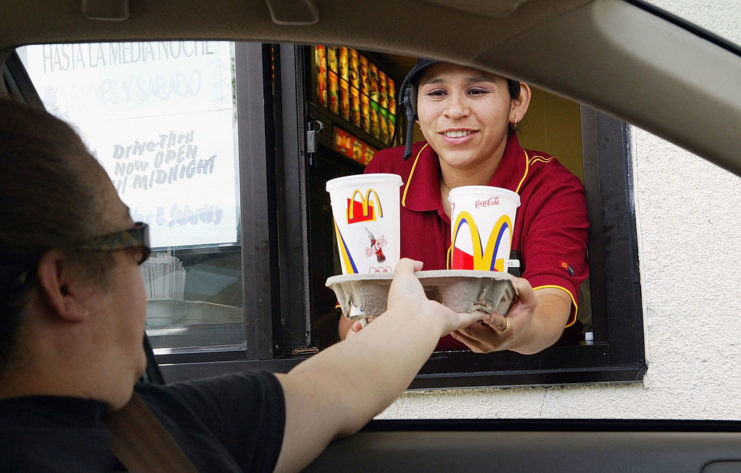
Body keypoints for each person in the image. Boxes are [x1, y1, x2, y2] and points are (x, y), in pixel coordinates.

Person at [0, 99, 489, 472]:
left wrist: (420, 313)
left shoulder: (145, 422)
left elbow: (336, 386)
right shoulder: (163, 429)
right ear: (65, 285)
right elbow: (333, 391)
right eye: (133, 241)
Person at [339, 60, 589, 355]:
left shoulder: (551, 186)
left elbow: (550, 307)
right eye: (436, 93)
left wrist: (516, 332)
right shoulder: (387, 175)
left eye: (476, 90)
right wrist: (359, 339)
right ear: (413, 107)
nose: (455, 110)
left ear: (517, 102)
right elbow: (355, 310)